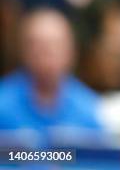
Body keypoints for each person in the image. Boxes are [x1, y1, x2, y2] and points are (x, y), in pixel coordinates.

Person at [0, 8, 105, 148]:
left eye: (55, 46)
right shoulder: (3, 103)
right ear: (22, 50)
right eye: (38, 46)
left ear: (71, 51)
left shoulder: (89, 108)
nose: (46, 54)